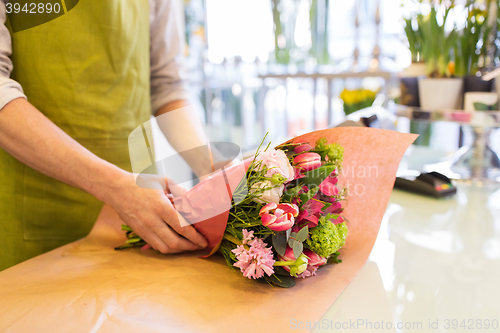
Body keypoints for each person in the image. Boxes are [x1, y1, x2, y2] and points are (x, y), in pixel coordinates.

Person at [0, 0, 209, 271]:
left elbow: (167, 83)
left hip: (146, 208)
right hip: (36, 204)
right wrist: (115, 187)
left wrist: (211, 166)